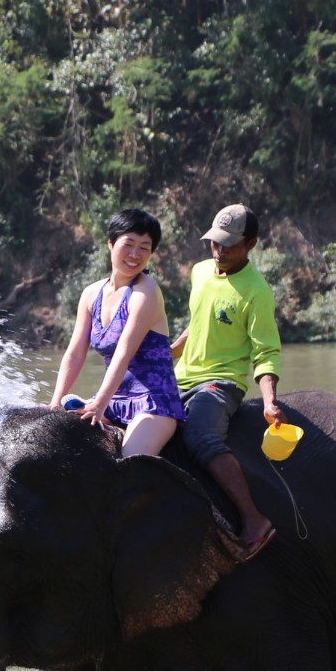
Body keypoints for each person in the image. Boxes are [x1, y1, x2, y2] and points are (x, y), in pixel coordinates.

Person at [172, 203, 282, 560]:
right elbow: (199, 323)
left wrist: (268, 401)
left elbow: (266, 352)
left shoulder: (256, 292)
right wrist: (166, 355)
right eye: (214, 243)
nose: (219, 252)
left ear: (250, 244)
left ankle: (253, 520)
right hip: (181, 377)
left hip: (220, 383)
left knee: (201, 437)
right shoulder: (200, 272)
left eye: (229, 246)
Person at [47, 208, 185, 458]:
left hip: (153, 402)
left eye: (144, 247)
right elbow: (76, 352)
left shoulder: (146, 293)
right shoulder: (91, 294)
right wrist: (55, 403)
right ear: (111, 244)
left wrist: (99, 404)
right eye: (128, 244)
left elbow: (124, 353)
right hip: (114, 400)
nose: (135, 255)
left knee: (129, 462)